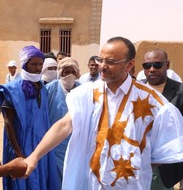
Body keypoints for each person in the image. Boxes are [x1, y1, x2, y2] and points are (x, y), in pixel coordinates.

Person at [23, 37, 183, 190]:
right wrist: (35, 156)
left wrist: (132, 163)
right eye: (101, 60)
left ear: (129, 65)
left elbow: (167, 149)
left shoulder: (152, 102)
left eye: (111, 62)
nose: (103, 66)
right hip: (90, 183)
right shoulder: (87, 93)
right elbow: (65, 125)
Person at [0, 45, 59, 190]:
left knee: (42, 179)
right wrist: (19, 153)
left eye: (40, 64)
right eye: (34, 64)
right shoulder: (12, 89)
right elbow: (8, 123)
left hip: (40, 146)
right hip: (21, 146)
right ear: (25, 65)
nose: (38, 68)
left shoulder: (42, 88)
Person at [141, 49, 183, 190]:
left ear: (167, 65)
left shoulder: (180, 90)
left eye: (157, 65)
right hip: (136, 163)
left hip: (163, 168)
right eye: (147, 66)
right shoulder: (135, 88)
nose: (152, 69)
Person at [45, 57, 81, 188]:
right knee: (55, 177)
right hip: (55, 144)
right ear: (60, 73)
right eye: (66, 71)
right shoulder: (49, 89)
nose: (69, 75)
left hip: (76, 143)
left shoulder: (82, 91)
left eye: (72, 71)